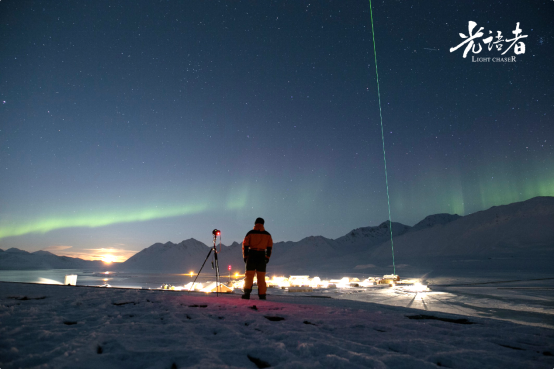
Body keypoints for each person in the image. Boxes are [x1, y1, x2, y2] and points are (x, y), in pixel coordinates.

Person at [242, 217, 273, 300]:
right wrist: (267, 257)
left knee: (249, 276)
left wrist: (245, 257)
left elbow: (245, 246)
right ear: (263, 224)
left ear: (255, 223)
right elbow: (269, 247)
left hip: (252, 255)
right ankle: (262, 295)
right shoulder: (268, 235)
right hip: (262, 256)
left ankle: (247, 294)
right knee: (261, 277)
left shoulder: (250, 233)